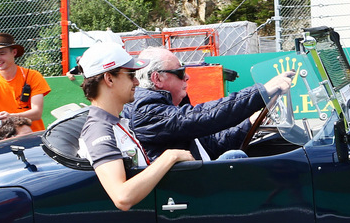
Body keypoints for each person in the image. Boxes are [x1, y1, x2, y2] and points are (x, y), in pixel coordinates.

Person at [75, 42, 192, 211]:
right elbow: (122, 197)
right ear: (109, 79)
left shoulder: (116, 122)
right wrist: (169, 157)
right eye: (131, 75)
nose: (137, 82)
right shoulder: (99, 129)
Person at [124, 47, 296, 161]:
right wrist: (261, 92)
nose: (187, 77)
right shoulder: (146, 112)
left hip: (195, 176)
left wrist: (249, 123)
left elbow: (212, 145)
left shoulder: (166, 109)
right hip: (185, 191)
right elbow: (205, 116)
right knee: (235, 158)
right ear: (157, 78)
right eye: (180, 72)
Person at [0, 33, 51, 134]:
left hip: (33, 135)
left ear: (14, 52)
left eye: (2, 53)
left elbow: (37, 113)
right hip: (6, 138)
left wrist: (11, 116)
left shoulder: (32, 76)